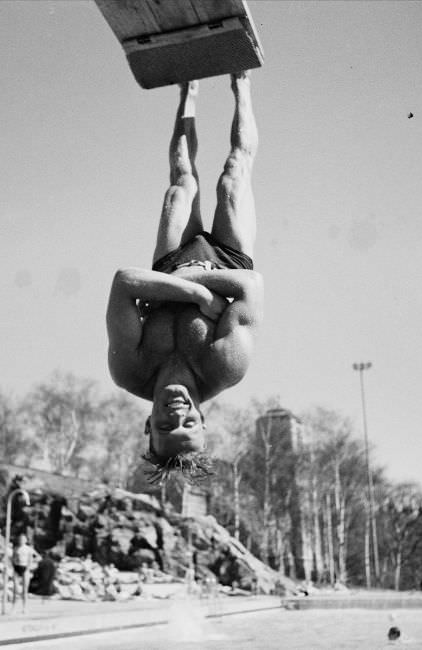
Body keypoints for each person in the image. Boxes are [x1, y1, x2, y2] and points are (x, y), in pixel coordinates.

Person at [106, 71, 263, 484]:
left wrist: (194, 288)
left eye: (164, 427)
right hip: (227, 262)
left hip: (179, 270)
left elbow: (122, 281)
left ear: (148, 426)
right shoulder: (225, 366)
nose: (176, 416)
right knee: (232, 178)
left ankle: (188, 90)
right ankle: (241, 83)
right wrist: (189, 287)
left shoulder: (131, 370)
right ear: (202, 420)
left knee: (180, 185)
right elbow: (252, 287)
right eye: (187, 426)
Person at [11, 533, 34, 613]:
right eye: (20, 539)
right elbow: (12, 558)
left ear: (25, 540)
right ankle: (13, 607)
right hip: (17, 567)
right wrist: (13, 566)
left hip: (25, 567)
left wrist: (28, 568)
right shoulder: (16, 548)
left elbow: (30, 560)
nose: (21, 541)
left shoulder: (28, 549)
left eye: (23, 539)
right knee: (15, 589)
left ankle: (24, 607)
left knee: (25, 589)